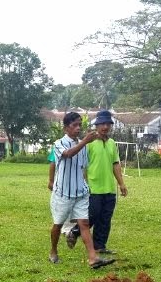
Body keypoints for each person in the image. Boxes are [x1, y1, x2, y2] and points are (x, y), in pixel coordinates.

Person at [49, 112, 114, 269]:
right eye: (74, 125)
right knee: (58, 225)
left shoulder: (84, 146)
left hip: (81, 192)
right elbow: (68, 154)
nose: (78, 128)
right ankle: (53, 251)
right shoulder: (59, 143)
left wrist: (86, 185)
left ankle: (93, 258)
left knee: (84, 223)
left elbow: (84, 167)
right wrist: (85, 141)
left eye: (80, 125)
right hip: (63, 192)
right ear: (66, 128)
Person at [68, 110, 128, 254]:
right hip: (93, 187)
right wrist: (83, 184)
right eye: (102, 124)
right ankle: (75, 231)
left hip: (109, 188)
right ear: (96, 125)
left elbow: (115, 164)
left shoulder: (112, 143)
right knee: (92, 215)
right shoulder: (89, 143)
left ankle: (99, 246)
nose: (105, 127)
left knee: (105, 219)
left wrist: (121, 183)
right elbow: (82, 165)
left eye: (108, 124)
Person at [47, 144, 78, 247]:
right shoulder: (59, 145)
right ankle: (66, 230)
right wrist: (51, 181)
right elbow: (53, 163)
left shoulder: (80, 145)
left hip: (76, 184)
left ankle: (72, 230)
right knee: (61, 209)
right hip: (62, 185)